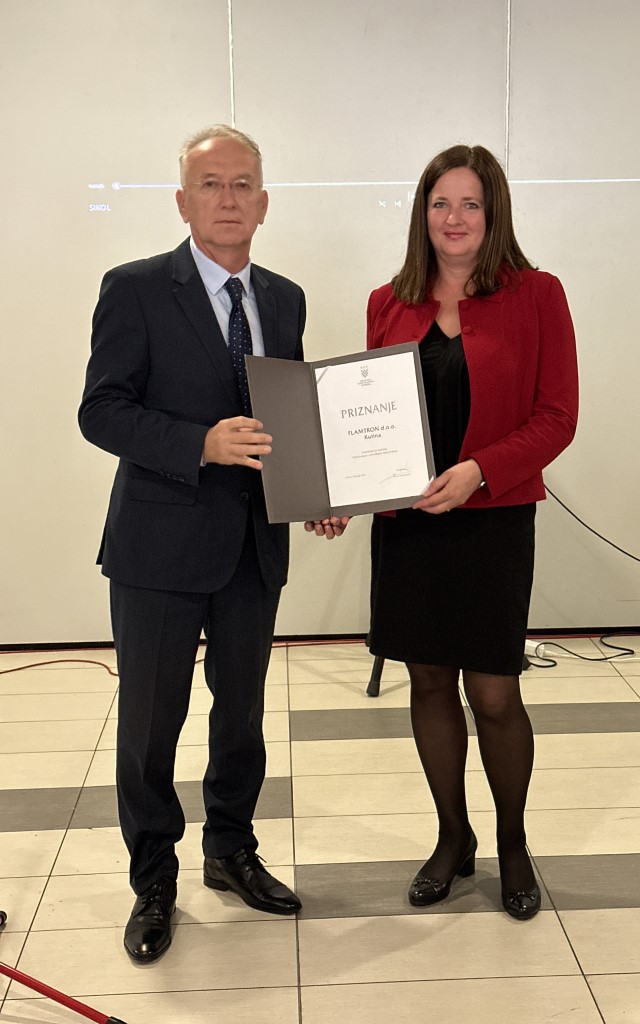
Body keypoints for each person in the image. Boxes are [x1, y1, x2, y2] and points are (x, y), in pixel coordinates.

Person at [79, 125, 329, 963]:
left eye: (242, 183)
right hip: (158, 546)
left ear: (265, 202)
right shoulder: (136, 289)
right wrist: (199, 443)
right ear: (183, 202)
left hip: (254, 546)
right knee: (152, 723)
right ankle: (154, 878)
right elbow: (101, 411)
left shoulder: (285, 300)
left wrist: (316, 492)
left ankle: (231, 850)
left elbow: (287, 415)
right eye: (211, 184)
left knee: (243, 714)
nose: (228, 199)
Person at [366, 144, 578, 919]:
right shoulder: (388, 302)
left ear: (494, 214)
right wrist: (343, 491)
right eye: (439, 203)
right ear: (421, 214)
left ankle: (513, 842)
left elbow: (557, 417)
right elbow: (369, 422)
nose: (453, 218)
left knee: (493, 691)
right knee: (427, 681)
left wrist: (480, 470)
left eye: (469, 204)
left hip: (493, 521)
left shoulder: (537, 294)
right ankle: (453, 838)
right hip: (410, 526)